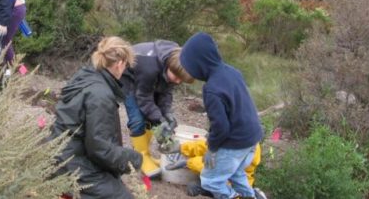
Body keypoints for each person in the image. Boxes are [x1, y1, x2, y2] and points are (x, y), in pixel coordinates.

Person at [50, 36, 143, 199]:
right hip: (70, 165)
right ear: (120, 64)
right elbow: (100, 150)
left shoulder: (85, 77)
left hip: (57, 154)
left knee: (115, 184)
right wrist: (135, 159)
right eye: (126, 65)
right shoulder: (101, 95)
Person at [178, 32, 263, 198]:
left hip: (235, 143)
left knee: (211, 181)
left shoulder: (211, 88)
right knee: (238, 175)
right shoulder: (233, 72)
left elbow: (221, 128)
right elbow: (237, 106)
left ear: (199, 64)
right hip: (252, 140)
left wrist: (212, 148)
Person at [120, 40, 194, 178]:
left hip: (148, 80)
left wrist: (166, 113)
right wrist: (159, 118)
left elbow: (166, 92)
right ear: (168, 66)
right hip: (128, 77)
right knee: (137, 118)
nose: (178, 81)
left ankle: (146, 154)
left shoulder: (176, 63)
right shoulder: (149, 67)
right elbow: (143, 98)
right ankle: (141, 158)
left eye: (181, 80)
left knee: (154, 117)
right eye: (176, 77)